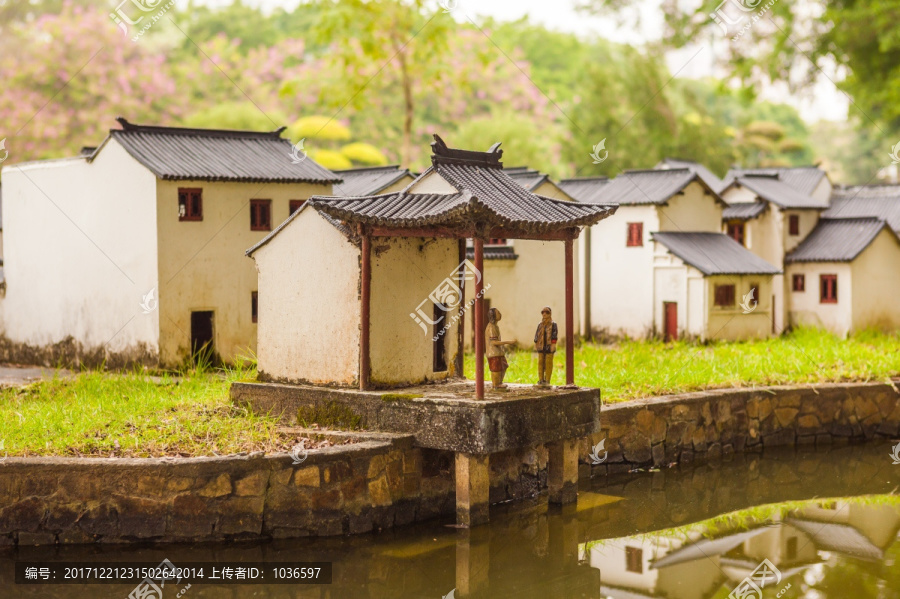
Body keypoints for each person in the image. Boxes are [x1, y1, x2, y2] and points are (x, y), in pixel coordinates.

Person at [485, 308, 516, 391]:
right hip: (493, 353)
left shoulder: (495, 326)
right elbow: (494, 342)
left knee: (504, 366)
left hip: (499, 352)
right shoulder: (491, 327)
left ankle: (499, 382)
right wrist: (508, 342)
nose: (500, 314)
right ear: (493, 316)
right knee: (496, 369)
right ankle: (496, 385)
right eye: (498, 313)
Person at [533, 306, 557, 386]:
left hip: (549, 346)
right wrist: (536, 343)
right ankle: (540, 379)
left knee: (548, 363)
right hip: (541, 345)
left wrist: (553, 344)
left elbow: (554, 335)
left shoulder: (553, 324)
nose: (544, 314)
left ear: (550, 314)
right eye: (543, 312)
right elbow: (536, 335)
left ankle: (547, 380)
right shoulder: (540, 324)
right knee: (540, 363)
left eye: (546, 312)